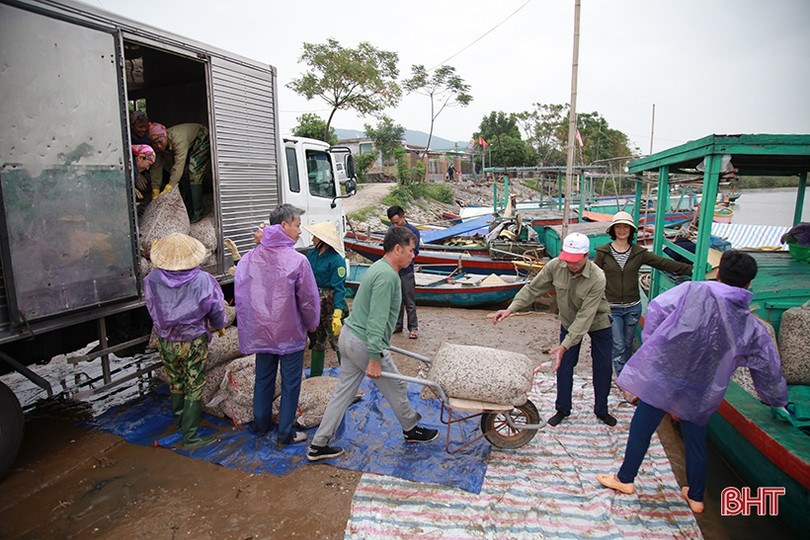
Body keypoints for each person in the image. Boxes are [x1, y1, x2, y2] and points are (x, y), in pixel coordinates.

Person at [596, 250, 788, 513]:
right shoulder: (751, 324)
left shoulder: (692, 290)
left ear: (718, 273)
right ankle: (696, 497)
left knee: (642, 427)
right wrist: (776, 400)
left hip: (667, 373)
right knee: (696, 437)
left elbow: (657, 308)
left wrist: (656, 346)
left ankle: (625, 479)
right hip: (702, 385)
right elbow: (767, 366)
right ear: (749, 283)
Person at [307, 226, 439, 461]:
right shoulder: (387, 277)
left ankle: (318, 444)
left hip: (349, 335)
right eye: (411, 250)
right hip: (364, 342)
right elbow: (377, 321)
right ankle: (411, 429)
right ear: (397, 249)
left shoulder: (378, 267)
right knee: (396, 386)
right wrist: (375, 359)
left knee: (343, 394)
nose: (414, 255)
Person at [492, 232, 617, 427]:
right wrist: (511, 308)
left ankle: (602, 409)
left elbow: (585, 316)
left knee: (602, 366)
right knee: (564, 365)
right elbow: (533, 289)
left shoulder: (597, 277)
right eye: (567, 260)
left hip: (597, 321)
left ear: (587, 256)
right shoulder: (555, 266)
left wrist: (565, 344)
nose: (570, 265)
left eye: (575, 261)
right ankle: (563, 408)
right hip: (568, 321)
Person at [234, 204, 320, 447]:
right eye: (297, 226)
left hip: (261, 331)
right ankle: (285, 433)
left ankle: (260, 425)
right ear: (283, 225)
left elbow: (243, 294)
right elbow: (309, 301)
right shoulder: (297, 260)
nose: (300, 231)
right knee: (291, 383)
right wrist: (312, 325)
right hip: (289, 332)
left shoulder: (250, 257)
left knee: (264, 378)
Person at [593, 211, 693, 403]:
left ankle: (628, 378)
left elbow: (664, 263)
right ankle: (625, 385)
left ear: (631, 230)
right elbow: (593, 275)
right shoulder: (603, 252)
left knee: (629, 345)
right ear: (613, 230)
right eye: (618, 227)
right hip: (611, 307)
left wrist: (693, 269)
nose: (622, 230)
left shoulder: (638, 253)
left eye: (625, 227)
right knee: (618, 345)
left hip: (632, 307)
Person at [144, 233, 228, 448]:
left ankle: (181, 423)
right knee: (195, 385)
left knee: (176, 381)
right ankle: (190, 436)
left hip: (165, 341)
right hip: (193, 341)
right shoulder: (202, 280)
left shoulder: (152, 279)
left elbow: (152, 307)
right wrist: (220, 326)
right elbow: (215, 308)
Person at [303, 221, 347, 377]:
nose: (313, 239)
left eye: (315, 236)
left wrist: (337, 314)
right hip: (315, 303)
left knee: (338, 342)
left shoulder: (336, 261)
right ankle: (315, 376)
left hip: (330, 304)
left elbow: (340, 289)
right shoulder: (312, 254)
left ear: (323, 240)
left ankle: (348, 377)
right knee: (317, 340)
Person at [148, 122, 211, 222]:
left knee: (193, 170)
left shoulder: (178, 140)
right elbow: (156, 167)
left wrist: (169, 186)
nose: (158, 146)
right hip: (189, 144)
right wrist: (155, 189)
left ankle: (198, 212)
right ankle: (189, 206)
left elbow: (178, 165)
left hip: (201, 136)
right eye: (155, 143)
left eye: (160, 142)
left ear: (165, 136)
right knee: (182, 176)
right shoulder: (158, 148)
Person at [386, 205, 420, 339]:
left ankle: (413, 327)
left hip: (407, 271)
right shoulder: (391, 231)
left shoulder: (413, 232)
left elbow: (414, 252)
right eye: (392, 223)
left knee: (409, 300)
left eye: (397, 222)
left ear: (403, 217)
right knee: (396, 300)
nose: (395, 225)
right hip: (394, 271)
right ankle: (398, 325)